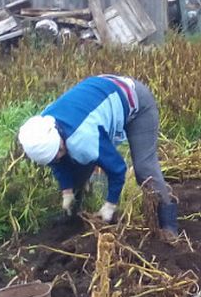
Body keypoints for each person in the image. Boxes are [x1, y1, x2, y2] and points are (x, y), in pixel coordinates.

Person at [17, 74, 177, 235]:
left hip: (135, 100)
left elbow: (118, 169)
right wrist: (67, 191)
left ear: (58, 136)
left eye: (58, 150)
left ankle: (168, 225)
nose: (58, 156)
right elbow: (58, 162)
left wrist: (110, 205)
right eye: (54, 156)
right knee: (74, 163)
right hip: (102, 93)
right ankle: (73, 218)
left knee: (144, 169)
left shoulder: (81, 137)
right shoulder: (41, 130)